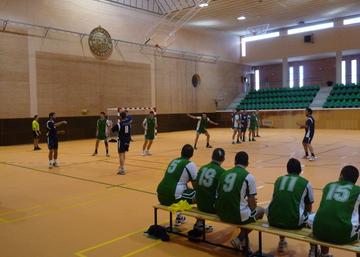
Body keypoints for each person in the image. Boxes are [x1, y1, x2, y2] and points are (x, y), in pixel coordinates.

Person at [215, 151, 265, 253]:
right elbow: (252, 203)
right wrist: (250, 205)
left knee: (244, 209)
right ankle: (240, 238)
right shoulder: (248, 177)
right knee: (260, 211)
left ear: (235, 161)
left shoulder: (224, 173)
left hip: (221, 212)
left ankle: (244, 241)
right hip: (235, 214)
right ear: (247, 163)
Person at [157, 144, 211, 231]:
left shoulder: (173, 161)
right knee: (201, 195)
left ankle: (179, 216)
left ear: (181, 152)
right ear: (192, 154)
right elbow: (196, 186)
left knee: (184, 187)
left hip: (161, 196)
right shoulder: (190, 164)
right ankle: (200, 223)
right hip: (172, 197)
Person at [267, 158, 315, 255]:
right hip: (293, 222)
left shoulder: (279, 180)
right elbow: (309, 206)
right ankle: (313, 250)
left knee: (282, 208)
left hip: (273, 219)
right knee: (313, 218)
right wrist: (306, 217)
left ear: (287, 169)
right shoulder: (305, 183)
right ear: (300, 170)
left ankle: (281, 242)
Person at [311, 165, 360, 257]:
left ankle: (324, 253)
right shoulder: (358, 190)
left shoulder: (328, 186)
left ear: (341, 175)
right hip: (343, 235)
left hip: (318, 231)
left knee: (324, 217)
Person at [196, 148, 226, 213]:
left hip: (199, 204)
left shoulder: (202, 168)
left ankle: (199, 222)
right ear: (223, 159)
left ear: (212, 157)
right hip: (211, 206)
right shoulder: (222, 172)